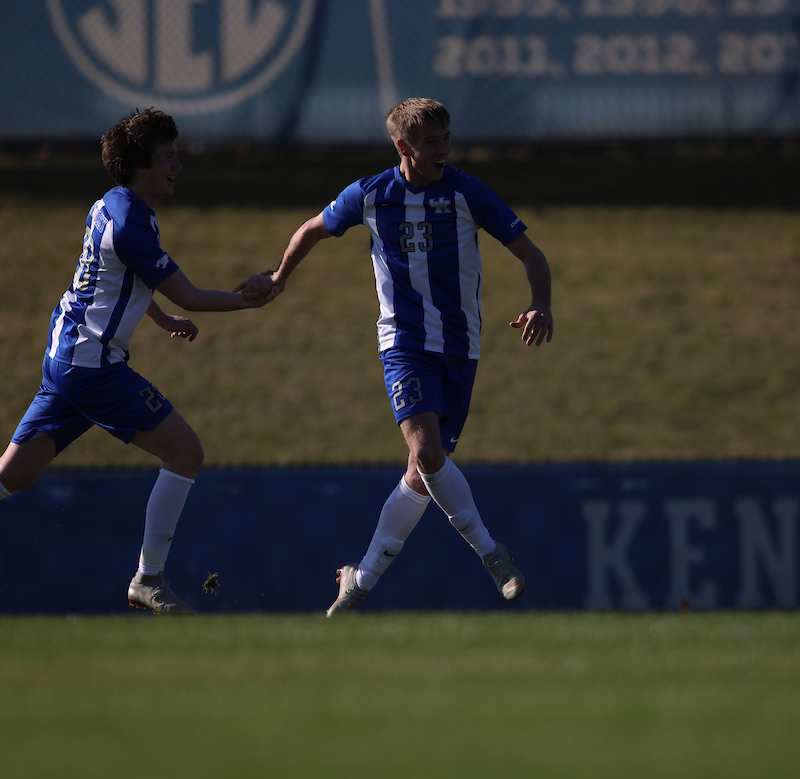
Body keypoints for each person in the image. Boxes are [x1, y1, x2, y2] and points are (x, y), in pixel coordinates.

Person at [254, 98, 553, 615]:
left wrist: (540, 304)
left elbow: (531, 252)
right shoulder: (371, 194)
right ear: (404, 148)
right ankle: (493, 554)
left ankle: (361, 579)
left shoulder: (465, 192)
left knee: (422, 472)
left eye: (446, 138)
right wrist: (279, 278)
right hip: (404, 345)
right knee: (429, 453)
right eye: (432, 141)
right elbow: (310, 229)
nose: (444, 149)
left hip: (461, 347)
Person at [0, 108, 277, 615]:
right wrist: (255, 298)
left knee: (14, 477)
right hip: (93, 368)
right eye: (169, 157)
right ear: (140, 166)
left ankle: (148, 579)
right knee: (186, 453)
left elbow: (115, 279)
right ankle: (148, 580)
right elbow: (191, 294)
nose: (178, 165)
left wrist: (157, 317)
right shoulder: (131, 221)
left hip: (66, 356)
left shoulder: (110, 205)